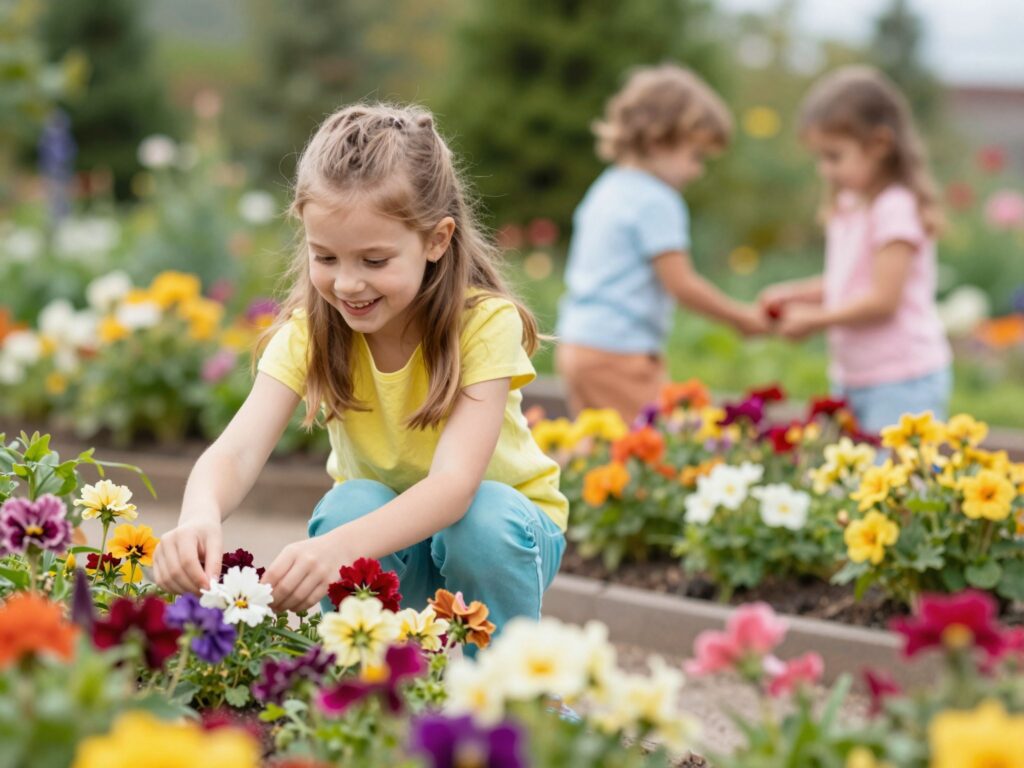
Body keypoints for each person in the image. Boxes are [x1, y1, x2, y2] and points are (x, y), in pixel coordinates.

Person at [153, 104, 568, 633]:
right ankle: (369, 685)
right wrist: (197, 518)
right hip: (386, 540)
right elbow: (234, 453)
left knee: (479, 522)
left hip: (503, 537)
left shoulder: (482, 323)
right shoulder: (313, 331)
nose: (348, 284)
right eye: (325, 258)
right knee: (350, 504)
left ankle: (512, 688)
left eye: (374, 262)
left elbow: (455, 486)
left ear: (437, 240)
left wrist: (335, 550)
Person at [555, 63, 768, 423]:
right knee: (651, 451)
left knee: (597, 450)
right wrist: (740, 317)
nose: (698, 171)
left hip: (577, 345)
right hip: (620, 351)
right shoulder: (657, 200)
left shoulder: (607, 187)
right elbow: (682, 284)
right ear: (657, 141)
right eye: (695, 156)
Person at [760, 66, 952, 432]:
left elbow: (882, 300)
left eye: (833, 156)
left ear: (879, 145)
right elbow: (847, 282)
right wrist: (794, 294)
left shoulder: (895, 208)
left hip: (902, 381)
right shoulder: (851, 205)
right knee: (856, 483)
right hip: (854, 377)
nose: (824, 170)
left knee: (898, 484)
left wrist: (814, 320)